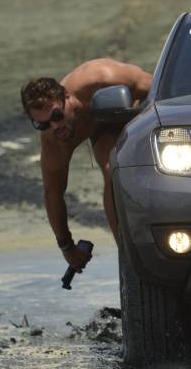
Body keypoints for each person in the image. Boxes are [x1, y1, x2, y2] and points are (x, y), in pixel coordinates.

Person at [20, 59, 152, 270]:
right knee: (112, 168)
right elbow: (53, 195)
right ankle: (128, 261)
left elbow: (157, 87)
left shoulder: (101, 78)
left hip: (138, 112)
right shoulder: (53, 139)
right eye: (43, 124)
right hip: (102, 131)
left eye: (56, 115)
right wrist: (67, 248)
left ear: (68, 97)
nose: (55, 127)